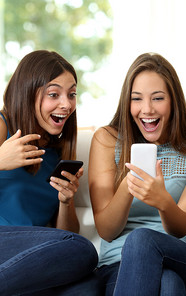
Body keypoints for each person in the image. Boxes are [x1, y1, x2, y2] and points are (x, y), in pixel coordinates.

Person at [89, 53, 186, 295]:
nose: (146, 109)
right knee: (169, 285)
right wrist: (130, 184)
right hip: (120, 267)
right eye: (136, 99)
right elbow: (107, 230)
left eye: (158, 98)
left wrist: (163, 201)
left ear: (174, 101)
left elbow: (183, 228)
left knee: (142, 240)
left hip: (184, 259)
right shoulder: (107, 140)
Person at [0, 50, 100, 296]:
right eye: (54, 94)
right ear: (27, 93)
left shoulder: (55, 153)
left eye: (72, 94)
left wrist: (66, 201)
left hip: (29, 257)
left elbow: (64, 236)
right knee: (84, 251)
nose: (66, 104)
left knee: (88, 283)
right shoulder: (3, 125)